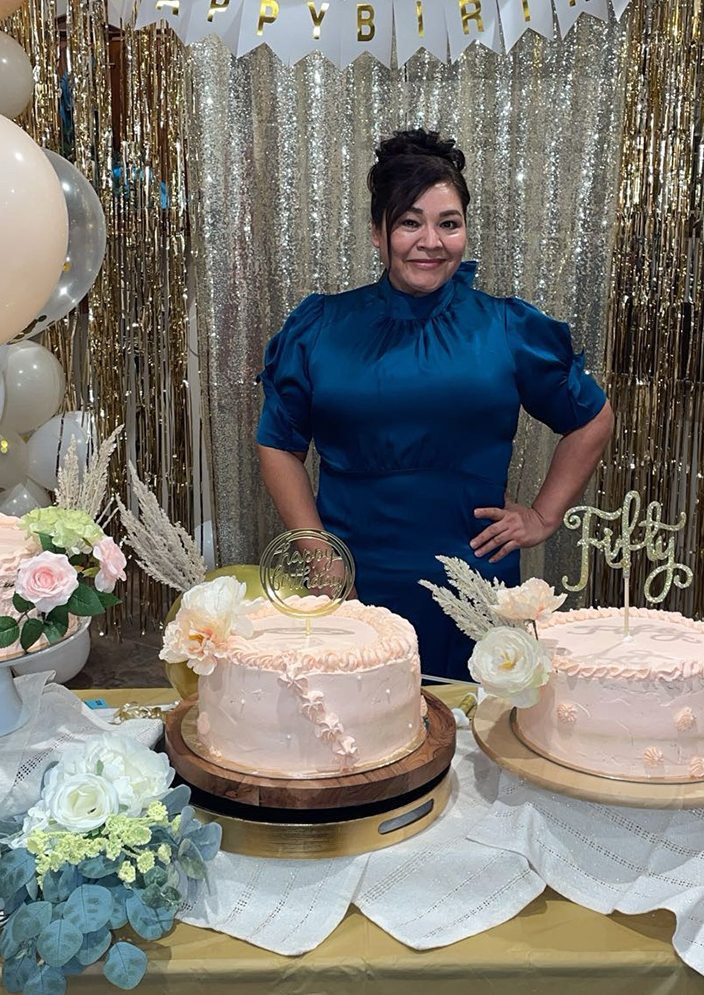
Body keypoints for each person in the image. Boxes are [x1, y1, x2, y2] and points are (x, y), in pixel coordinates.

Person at [256, 129, 614, 678]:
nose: (431, 241)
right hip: (352, 576)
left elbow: (592, 418)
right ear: (378, 233)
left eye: (448, 223)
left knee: (474, 728)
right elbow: (278, 443)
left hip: (472, 579)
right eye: (409, 222)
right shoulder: (321, 326)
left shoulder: (506, 327)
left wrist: (543, 515)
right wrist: (316, 550)